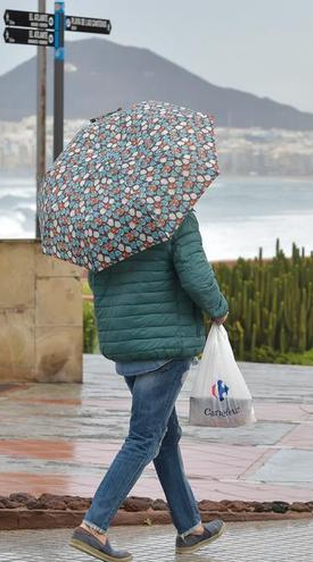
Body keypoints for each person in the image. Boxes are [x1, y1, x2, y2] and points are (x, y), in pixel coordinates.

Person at [69, 210, 229, 562]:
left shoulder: (105, 223)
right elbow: (195, 274)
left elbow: (97, 280)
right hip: (165, 346)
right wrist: (218, 308)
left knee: (165, 437)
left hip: (127, 348)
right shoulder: (174, 217)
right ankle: (93, 527)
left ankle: (191, 529)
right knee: (144, 439)